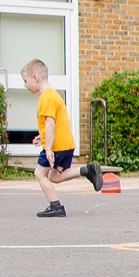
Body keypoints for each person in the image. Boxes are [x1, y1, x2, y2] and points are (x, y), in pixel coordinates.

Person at [23, 59, 101, 217]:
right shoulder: (54, 95)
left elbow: (50, 124)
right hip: (66, 144)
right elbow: (55, 124)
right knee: (55, 176)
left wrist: (49, 148)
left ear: (35, 77)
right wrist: (42, 137)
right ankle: (87, 170)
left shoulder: (46, 97)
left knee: (40, 173)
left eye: (26, 81)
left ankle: (56, 207)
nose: (25, 85)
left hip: (56, 147)